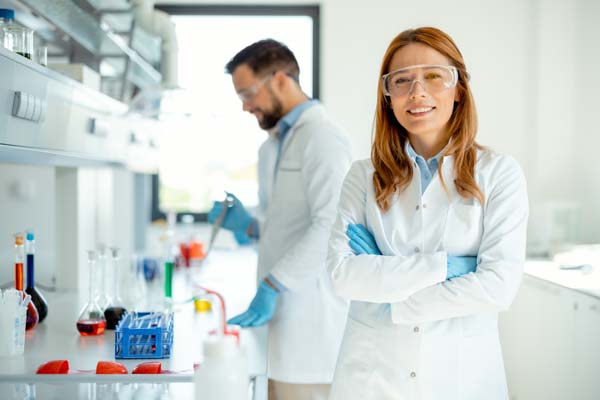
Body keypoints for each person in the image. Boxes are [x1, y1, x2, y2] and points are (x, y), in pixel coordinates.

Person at [326, 27, 528, 400]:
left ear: (459, 89)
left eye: (434, 76)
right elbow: (342, 276)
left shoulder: (499, 173)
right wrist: (450, 267)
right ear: (387, 96)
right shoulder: (363, 176)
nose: (417, 92)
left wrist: (388, 286)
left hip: (462, 377)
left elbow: (498, 287)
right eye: (401, 80)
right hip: (372, 378)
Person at [208, 39, 352, 399]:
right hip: (281, 327)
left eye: (248, 93)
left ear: (282, 80)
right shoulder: (271, 145)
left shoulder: (322, 138)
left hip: (311, 325)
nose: (244, 106)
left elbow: (331, 226)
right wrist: (250, 225)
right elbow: (285, 223)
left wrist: (273, 285)